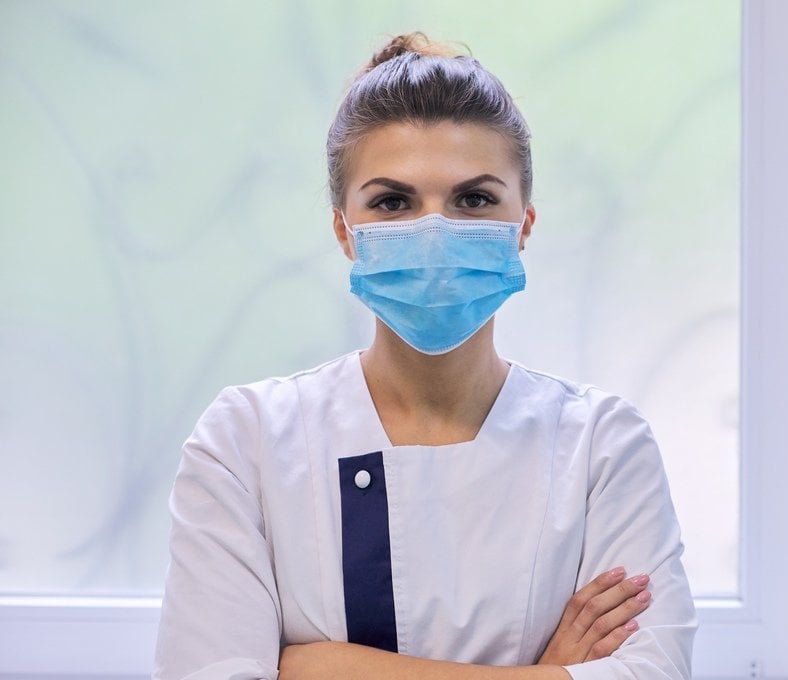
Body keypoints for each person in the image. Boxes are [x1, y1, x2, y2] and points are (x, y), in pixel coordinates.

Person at [152, 33, 696, 680]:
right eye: (393, 202)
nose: (434, 232)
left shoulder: (603, 446)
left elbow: (653, 671)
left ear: (522, 226)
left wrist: (318, 668)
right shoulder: (247, 440)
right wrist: (548, 672)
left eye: (474, 200)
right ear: (344, 231)